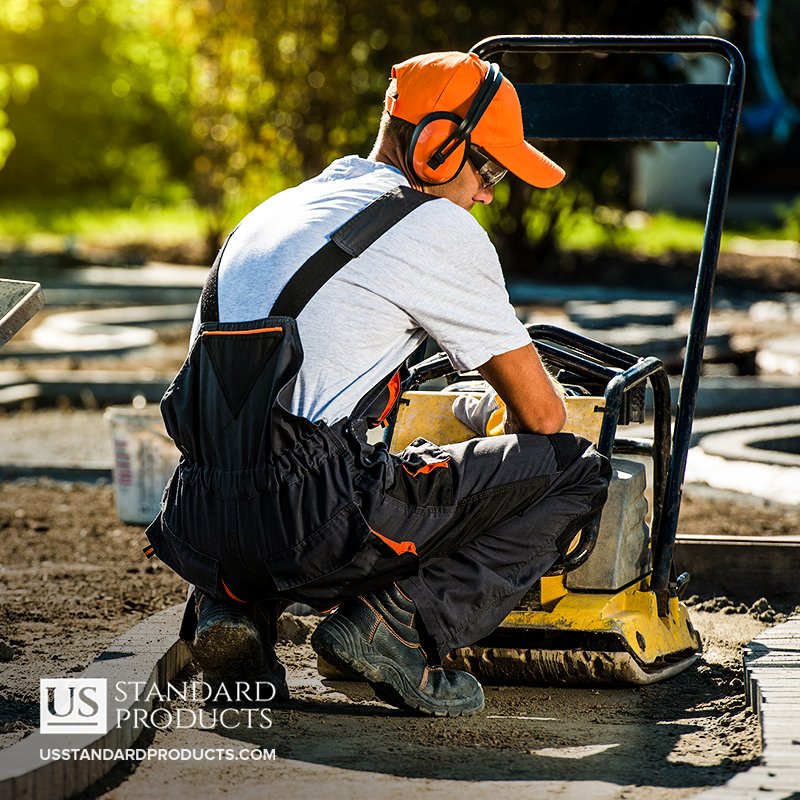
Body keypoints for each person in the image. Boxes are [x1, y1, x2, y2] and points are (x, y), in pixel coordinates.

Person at [144, 51, 610, 718]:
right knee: (575, 470)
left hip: (196, 517)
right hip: (312, 522)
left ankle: (231, 610)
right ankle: (398, 622)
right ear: (437, 142)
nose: (487, 192)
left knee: (283, 454)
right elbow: (540, 415)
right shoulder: (434, 225)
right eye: (490, 169)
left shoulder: (273, 212)